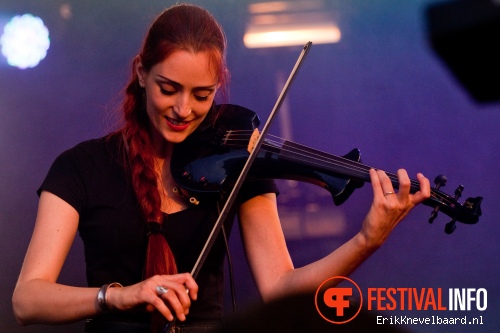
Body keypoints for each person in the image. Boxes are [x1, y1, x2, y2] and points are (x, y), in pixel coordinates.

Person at [11, 3, 430, 333]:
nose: (183, 109)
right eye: (168, 88)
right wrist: (119, 296)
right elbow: (27, 300)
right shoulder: (80, 167)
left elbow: (279, 288)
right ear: (141, 72)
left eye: (202, 95)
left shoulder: (237, 164)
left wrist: (366, 240)